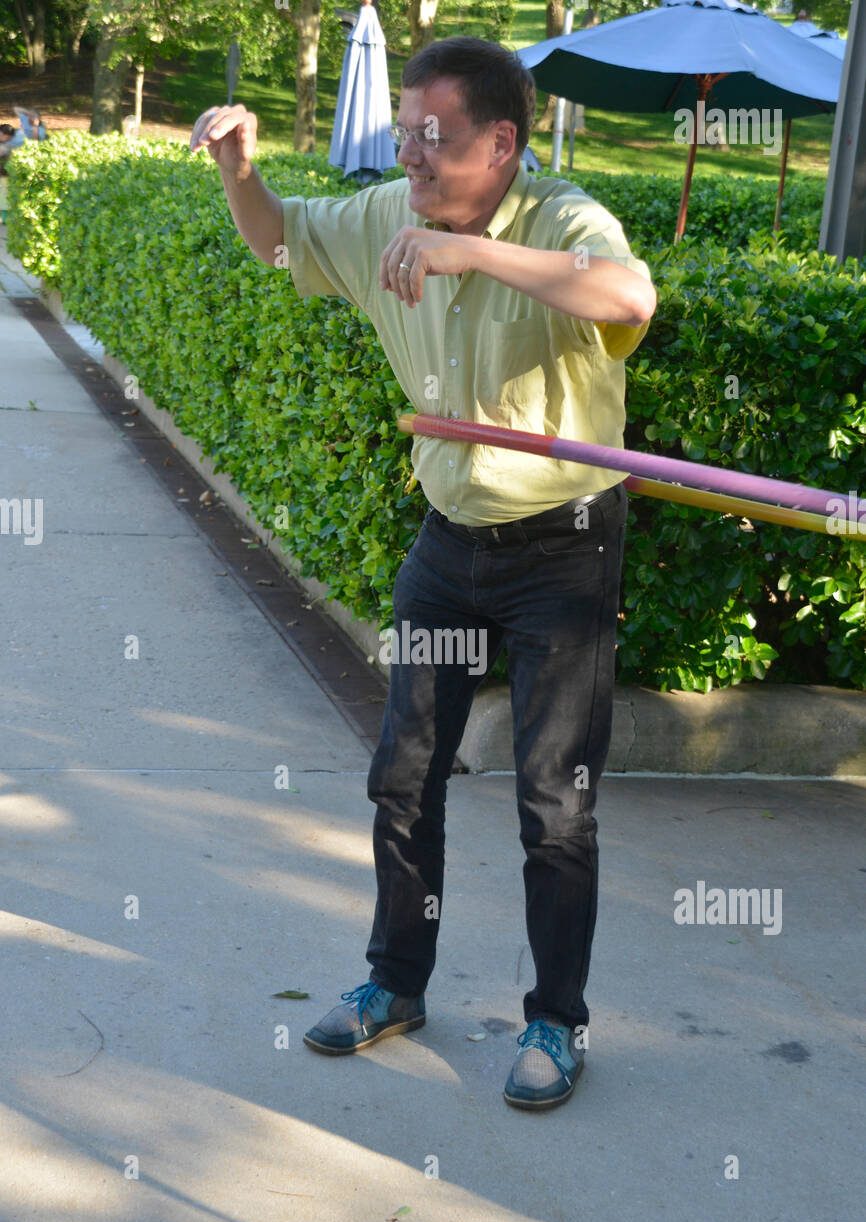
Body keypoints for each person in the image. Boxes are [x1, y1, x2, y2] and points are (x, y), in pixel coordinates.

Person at [190, 35, 656, 1112]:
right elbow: (278, 240)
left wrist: (475, 255)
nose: (408, 155)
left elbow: (626, 297)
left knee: (554, 801)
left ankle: (553, 1019)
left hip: (563, 545)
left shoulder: (562, 219)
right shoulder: (386, 217)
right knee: (402, 775)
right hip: (449, 543)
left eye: (429, 138)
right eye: (402, 132)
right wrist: (240, 170)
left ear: (500, 144)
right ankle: (394, 985)